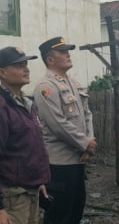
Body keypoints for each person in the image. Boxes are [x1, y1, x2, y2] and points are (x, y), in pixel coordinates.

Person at [0, 46, 50, 224]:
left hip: (29, 193)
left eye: (26, 64)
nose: (26, 69)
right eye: (18, 66)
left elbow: (29, 147)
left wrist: (38, 181)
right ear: (2, 72)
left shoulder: (26, 103)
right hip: (11, 199)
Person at [33, 36, 96, 224]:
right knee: (59, 214)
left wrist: (88, 143)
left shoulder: (73, 83)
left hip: (77, 160)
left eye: (67, 51)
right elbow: (58, 124)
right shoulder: (46, 87)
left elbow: (87, 115)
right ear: (50, 60)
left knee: (76, 209)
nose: (68, 55)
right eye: (62, 52)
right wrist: (85, 144)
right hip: (59, 163)